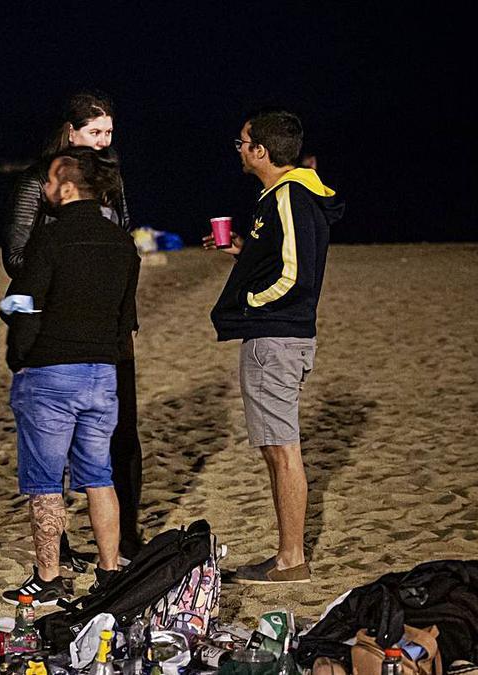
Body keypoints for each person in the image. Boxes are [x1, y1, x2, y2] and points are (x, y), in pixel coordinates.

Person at [1, 91, 145, 561]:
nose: (103, 142)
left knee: (71, 469)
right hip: (82, 346)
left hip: (79, 348)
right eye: (94, 133)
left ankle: (69, 569)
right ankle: (91, 562)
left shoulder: (71, 220)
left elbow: (23, 297)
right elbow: (17, 257)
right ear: (70, 133)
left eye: (108, 133)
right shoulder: (115, 240)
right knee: (82, 467)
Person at [208, 109, 343, 584]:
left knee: (282, 451)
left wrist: (249, 302)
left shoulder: (289, 195)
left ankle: (290, 560)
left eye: (243, 143)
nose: (240, 150)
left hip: (275, 336)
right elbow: (286, 256)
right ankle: (289, 556)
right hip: (284, 334)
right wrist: (245, 253)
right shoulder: (290, 194)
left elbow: (296, 274)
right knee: (277, 449)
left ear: (261, 150)